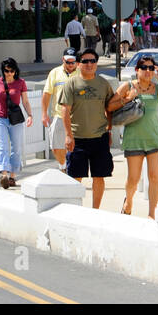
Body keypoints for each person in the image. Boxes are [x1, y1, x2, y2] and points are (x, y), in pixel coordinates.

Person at [57, 48, 120, 208]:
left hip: (99, 137)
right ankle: (74, 209)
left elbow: (110, 108)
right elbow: (65, 110)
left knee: (99, 176)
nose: (89, 64)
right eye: (85, 61)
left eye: (93, 61)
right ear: (78, 64)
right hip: (77, 139)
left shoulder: (103, 84)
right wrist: (68, 135)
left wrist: (109, 129)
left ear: (97, 63)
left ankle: (95, 210)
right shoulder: (71, 84)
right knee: (75, 176)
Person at [114, 60, 158, 217]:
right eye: (144, 67)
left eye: (151, 68)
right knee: (133, 179)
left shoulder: (157, 88)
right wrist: (127, 98)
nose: (148, 70)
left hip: (154, 138)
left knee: (154, 177)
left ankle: (152, 214)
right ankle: (128, 202)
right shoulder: (128, 86)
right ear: (137, 69)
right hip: (133, 139)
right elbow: (110, 106)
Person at [0, 58, 33, 189]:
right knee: (2, 147)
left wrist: (30, 115)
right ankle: (4, 175)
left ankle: (12, 177)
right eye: (6, 71)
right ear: (3, 71)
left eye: (11, 71)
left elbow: (25, 101)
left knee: (16, 148)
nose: (9, 73)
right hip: (0, 119)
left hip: (15, 120)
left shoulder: (21, 82)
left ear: (15, 71)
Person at [40, 50, 78, 167]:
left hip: (77, 117)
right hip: (59, 115)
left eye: (73, 62)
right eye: (68, 62)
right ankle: (63, 166)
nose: (70, 65)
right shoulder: (55, 73)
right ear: (63, 60)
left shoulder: (81, 72)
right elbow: (47, 94)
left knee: (75, 147)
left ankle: (71, 169)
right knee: (56, 147)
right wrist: (44, 114)